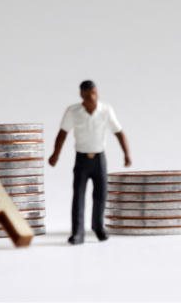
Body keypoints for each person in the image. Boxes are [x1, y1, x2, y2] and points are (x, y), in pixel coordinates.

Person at [49, 80, 131, 245]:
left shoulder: (106, 110)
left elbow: (119, 133)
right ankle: (78, 232)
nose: (92, 97)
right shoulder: (73, 111)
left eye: (94, 93)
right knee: (78, 195)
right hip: (81, 160)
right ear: (81, 95)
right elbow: (62, 133)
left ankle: (98, 226)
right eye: (88, 94)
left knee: (101, 195)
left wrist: (126, 154)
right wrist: (56, 154)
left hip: (99, 159)